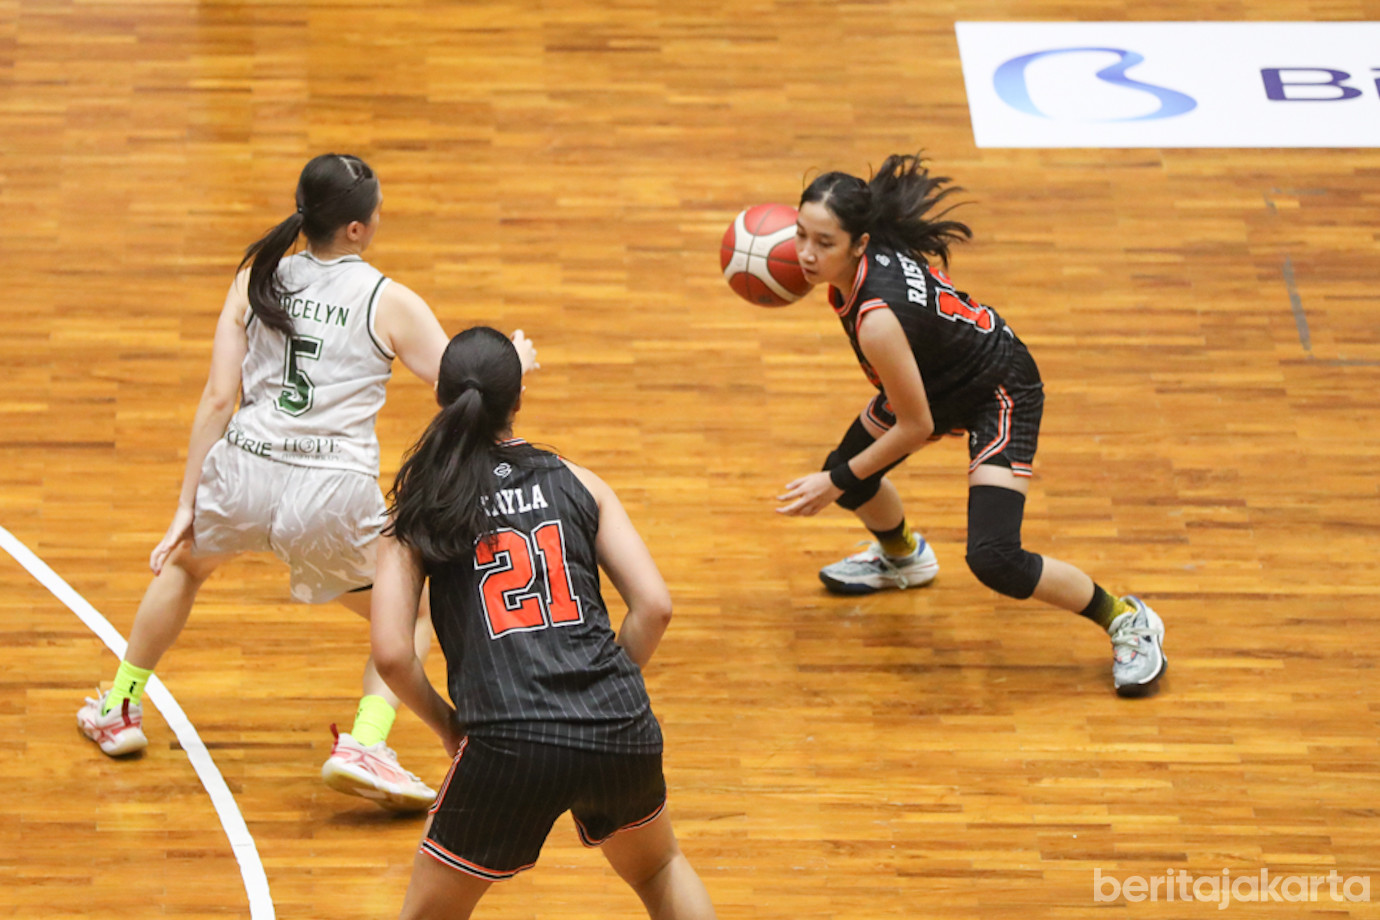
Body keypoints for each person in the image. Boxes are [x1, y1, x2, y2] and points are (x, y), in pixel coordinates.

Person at [76, 153, 538, 811]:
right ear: (356, 229)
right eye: (375, 210)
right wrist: (513, 362)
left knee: (182, 566)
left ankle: (119, 705)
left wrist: (187, 505)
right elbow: (462, 385)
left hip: (243, 471)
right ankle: (367, 742)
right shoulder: (388, 300)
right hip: (330, 494)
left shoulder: (255, 278)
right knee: (409, 611)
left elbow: (215, 399)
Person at [775, 153, 1166, 697]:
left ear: (861, 244)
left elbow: (915, 425)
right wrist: (844, 477)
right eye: (800, 236)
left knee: (994, 557)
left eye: (824, 243)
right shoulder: (865, 256)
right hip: (932, 377)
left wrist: (833, 482)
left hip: (995, 390)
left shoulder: (878, 320)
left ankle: (1126, 617)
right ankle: (903, 557)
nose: (806, 255)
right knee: (854, 475)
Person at [370, 326, 716, 919]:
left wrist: (449, 727)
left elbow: (393, 655)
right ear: (518, 402)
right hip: (618, 725)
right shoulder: (580, 481)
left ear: (441, 400)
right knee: (660, 870)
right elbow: (654, 606)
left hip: (508, 738)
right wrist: (609, 686)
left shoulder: (418, 507)